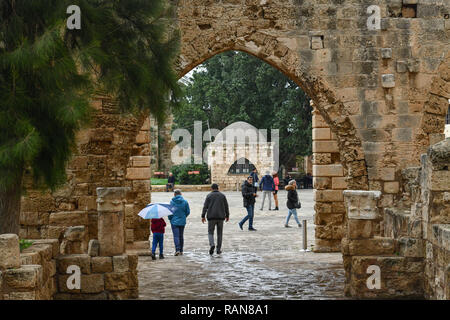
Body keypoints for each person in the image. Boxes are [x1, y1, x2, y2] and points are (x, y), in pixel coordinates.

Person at [202, 183, 230, 255]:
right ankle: (218, 249)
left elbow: (205, 207)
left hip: (211, 217)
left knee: (210, 232)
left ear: (211, 188)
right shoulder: (222, 196)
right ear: (218, 188)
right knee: (219, 234)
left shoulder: (209, 196)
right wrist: (227, 215)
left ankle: (212, 244)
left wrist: (203, 216)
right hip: (221, 217)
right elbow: (226, 206)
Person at [168, 189, 190, 255]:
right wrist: (183, 216)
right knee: (181, 236)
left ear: (174, 194)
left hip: (174, 221)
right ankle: (181, 250)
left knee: (176, 236)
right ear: (181, 194)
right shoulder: (185, 202)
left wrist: (170, 219)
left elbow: (170, 212)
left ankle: (177, 250)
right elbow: (188, 212)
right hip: (182, 221)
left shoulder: (172, 202)